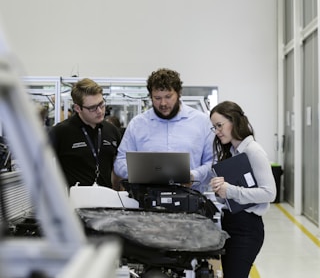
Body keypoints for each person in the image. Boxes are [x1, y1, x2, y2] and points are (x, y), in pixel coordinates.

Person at [114, 68, 214, 191]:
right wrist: (141, 174)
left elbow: (212, 162)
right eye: (157, 98)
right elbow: (119, 162)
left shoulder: (201, 122)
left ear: (179, 93)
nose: (163, 103)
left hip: (191, 199)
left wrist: (194, 175)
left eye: (168, 96)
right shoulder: (137, 124)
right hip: (147, 201)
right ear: (150, 96)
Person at [209, 101, 276, 278]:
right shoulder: (232, 153)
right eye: (214, 127)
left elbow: (269, 193)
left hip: (247, 229)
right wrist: (220, 192)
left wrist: (230, 190)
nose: (217, 131)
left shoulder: (254, 151)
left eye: (219, 125)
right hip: (231, 224)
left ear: (234, 121)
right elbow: (230, 199)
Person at [49, 78, 122, 189]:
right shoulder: (60, 132)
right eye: (92, 108)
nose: (100, 111)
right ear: (78, 108)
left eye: (101, 104)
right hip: (74, 203)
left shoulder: (112, 131)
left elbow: (119, 168)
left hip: (108, 201)